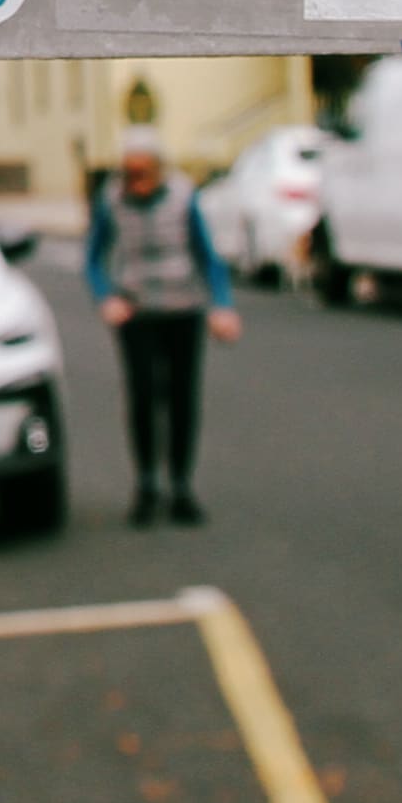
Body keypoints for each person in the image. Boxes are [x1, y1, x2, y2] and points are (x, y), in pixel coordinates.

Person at [85, 124, 241, 525]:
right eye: (128, 173)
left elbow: (208, 256)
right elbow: (94, 258)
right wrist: (107, 297)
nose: (135, 181)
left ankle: (181, 485)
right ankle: (147, 484)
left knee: (181, 396)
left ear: (158, 169)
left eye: (142, 173)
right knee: (142, 395)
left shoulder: (184, 196)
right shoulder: (111, 200)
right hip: (136, 311)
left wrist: (221, 305)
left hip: (182, 308)